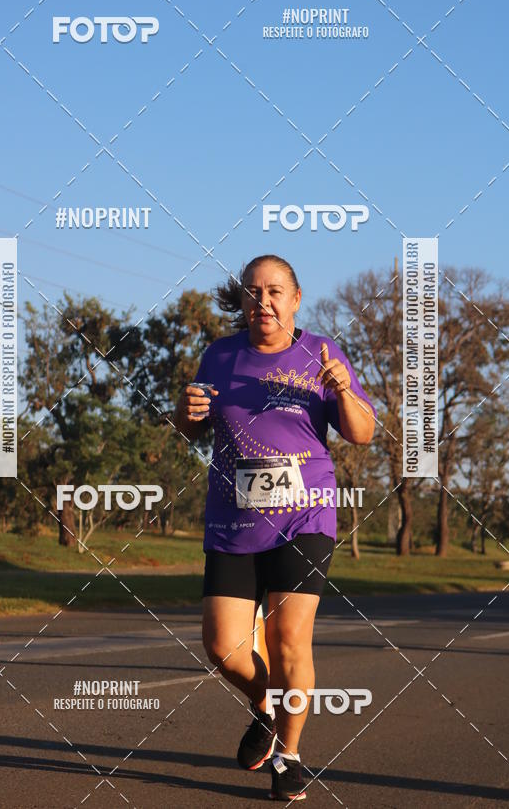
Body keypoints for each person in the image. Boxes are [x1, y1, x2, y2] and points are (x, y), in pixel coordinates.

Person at [173, 254, 375, 801]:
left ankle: (288, 756)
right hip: (233, 519)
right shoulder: (219, 355)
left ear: (296, 298)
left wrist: (343, 390)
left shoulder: (322, 353)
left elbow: (362, 433)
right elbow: (191, 427)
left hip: (305, 516)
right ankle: (265, 704)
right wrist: (186, 410)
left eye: (275, 291)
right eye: (253, 291)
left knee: (288, 640)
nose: (263, 301)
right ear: (243, 300)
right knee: (222, 647)